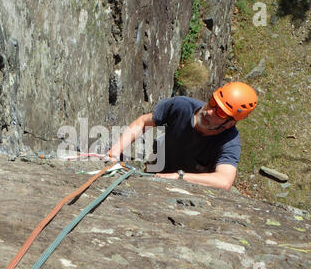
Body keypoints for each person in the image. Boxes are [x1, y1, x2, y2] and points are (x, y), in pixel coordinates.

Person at [107, 81, 258, 191]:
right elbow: (142, 122)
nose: (210, 111)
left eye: (220, 113)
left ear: (230, 124)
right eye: (213, 102)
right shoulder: (181, 106)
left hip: (189, 187)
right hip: (156, 172)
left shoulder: (229, 141)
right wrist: (114, 153)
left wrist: (179, 177)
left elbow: (224, 180)